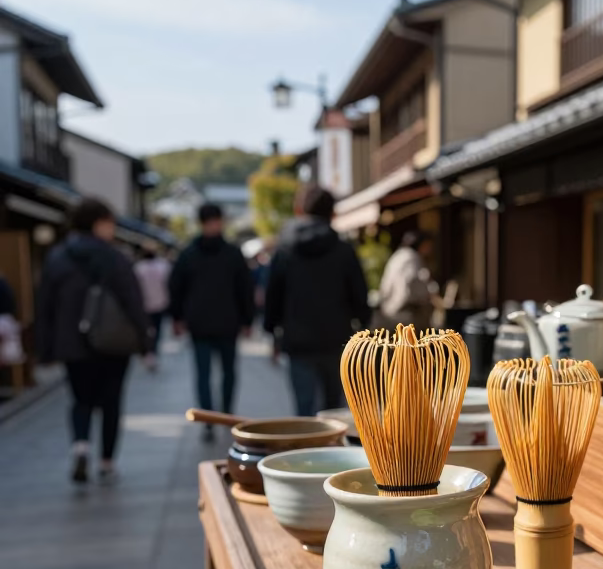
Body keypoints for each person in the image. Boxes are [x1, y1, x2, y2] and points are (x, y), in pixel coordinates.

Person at [36, 198, 149, 483]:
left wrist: (45, 347)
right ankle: (107, 461)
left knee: (80, 399)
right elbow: (132, 301)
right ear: (99, 223)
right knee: (111, 401)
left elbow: (45, 306)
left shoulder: (57, 257)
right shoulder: (115, 257)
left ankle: (81, 447)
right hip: (113, 342)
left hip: (72, 343)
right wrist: (145, 340)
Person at [263, 186, 369, 416]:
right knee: (334, 410)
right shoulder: (343, 250)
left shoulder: (284, 250)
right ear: (332, 213)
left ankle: (306, 449)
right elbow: (359, 294)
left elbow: (274, 295)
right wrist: (363, 326)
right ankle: (330, 449)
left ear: (299, 209)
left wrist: (272, 332)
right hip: (336, 337)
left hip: (297, 339)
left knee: (304, 408)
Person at [170, 203, 254, 441]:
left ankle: (212, 419)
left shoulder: (188, 254)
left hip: (201, 323)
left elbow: (176, 288)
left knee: (207, 374)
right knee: (224, 373)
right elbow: (245, 289)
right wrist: (247, 320)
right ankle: (221, 417)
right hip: (225, 322)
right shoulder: (232, 253)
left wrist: (177, 317)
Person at [376, 229, 435, 331]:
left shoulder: (399, 255)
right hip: (404, 311)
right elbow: (413, 286)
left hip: (389, 309)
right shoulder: (412, 257)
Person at [133, 246, 171, 370]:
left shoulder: (138, 268)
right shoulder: (163, 266)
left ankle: (147, 353)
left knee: (145, 330)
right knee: (157, 330)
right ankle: (152, 353)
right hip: (159, 303)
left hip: (144, 305)